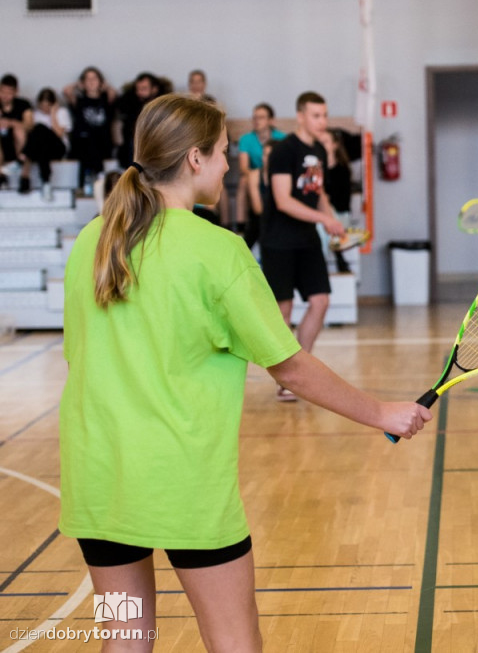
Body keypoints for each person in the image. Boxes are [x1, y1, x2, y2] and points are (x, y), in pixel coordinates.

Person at [59, 93, 429, 651]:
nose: (231, 165)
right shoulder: (219, 251)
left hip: (97, 481)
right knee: (234, 640)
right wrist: (383, 412)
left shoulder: (93, 239)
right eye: (225, 153)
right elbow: (292, 368)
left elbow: (77, 355)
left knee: (125, 638)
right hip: (184, 485)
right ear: (194, 160)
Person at [262, 91, 346, 401]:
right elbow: (284, 200)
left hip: (307, 239)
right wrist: (323, 221)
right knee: (282, 313)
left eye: (324, 115)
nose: (322, 121)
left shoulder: (320, 153)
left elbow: (318, 192)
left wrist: (333, 219)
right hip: (278, 240)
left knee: (321, 301)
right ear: (300, 116)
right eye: (315, 115)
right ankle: (287, 378)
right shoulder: (284, 151)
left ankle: (301, 369)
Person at [237, 103, 287, 247]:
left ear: (271, 120)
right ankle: (240, 226)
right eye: (254, 117)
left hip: (277, 177)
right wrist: (261, 173)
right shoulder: (246, 139)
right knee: (244, 181)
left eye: (261, 117)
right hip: (256, 176)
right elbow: (243, 168)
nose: (256, 120)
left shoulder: (282, 138)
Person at [64, 66, 117, 189]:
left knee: (94, 140)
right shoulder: (79, 100)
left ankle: (90, 180)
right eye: (88, 79)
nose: (91, 81)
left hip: (102, 142)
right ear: (83, 82)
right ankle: (97, 176)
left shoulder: (105, 99)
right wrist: (78, 85)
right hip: (82, 143)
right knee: (87, 141)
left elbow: (113, 93)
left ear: (100, 81)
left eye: (94, 78)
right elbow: (66, 91)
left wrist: (106, 87)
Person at [17, 88, 72, 197]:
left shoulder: (62, 112)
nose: (44, 109)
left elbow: (59, 134)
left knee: (40, 128)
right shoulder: (36, 114)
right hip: (42, 150)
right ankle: (46, 183)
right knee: (42, 145)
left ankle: (24, 159)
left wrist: (52, 114)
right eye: (42, 105)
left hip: (59, 147)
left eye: (47, 106)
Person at [319, 128, 354, 273]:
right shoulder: (316, 170)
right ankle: (338, 256)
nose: (322, 146)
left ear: (334, 145)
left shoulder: (342, 170)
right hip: (324, 216)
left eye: (325, 142)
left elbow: (341, 202)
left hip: (339, 216)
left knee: (324, 215)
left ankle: (323, 260)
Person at [116, 72, 164, 169]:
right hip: (133, 145)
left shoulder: (163, 105)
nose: (139, 92)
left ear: (154, 89)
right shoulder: (130, 102)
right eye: (138, 89)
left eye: (144, 89)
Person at [0, 73, 34, 192]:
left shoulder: (23, 104)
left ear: (16, 92)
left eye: (9, 92)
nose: (5, 96)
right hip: (2, 145)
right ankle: (1, 177)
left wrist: (10, 122)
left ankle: (24, 176)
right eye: (2, 92)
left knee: (19, 130)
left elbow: (29, 125)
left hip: (19, 145)